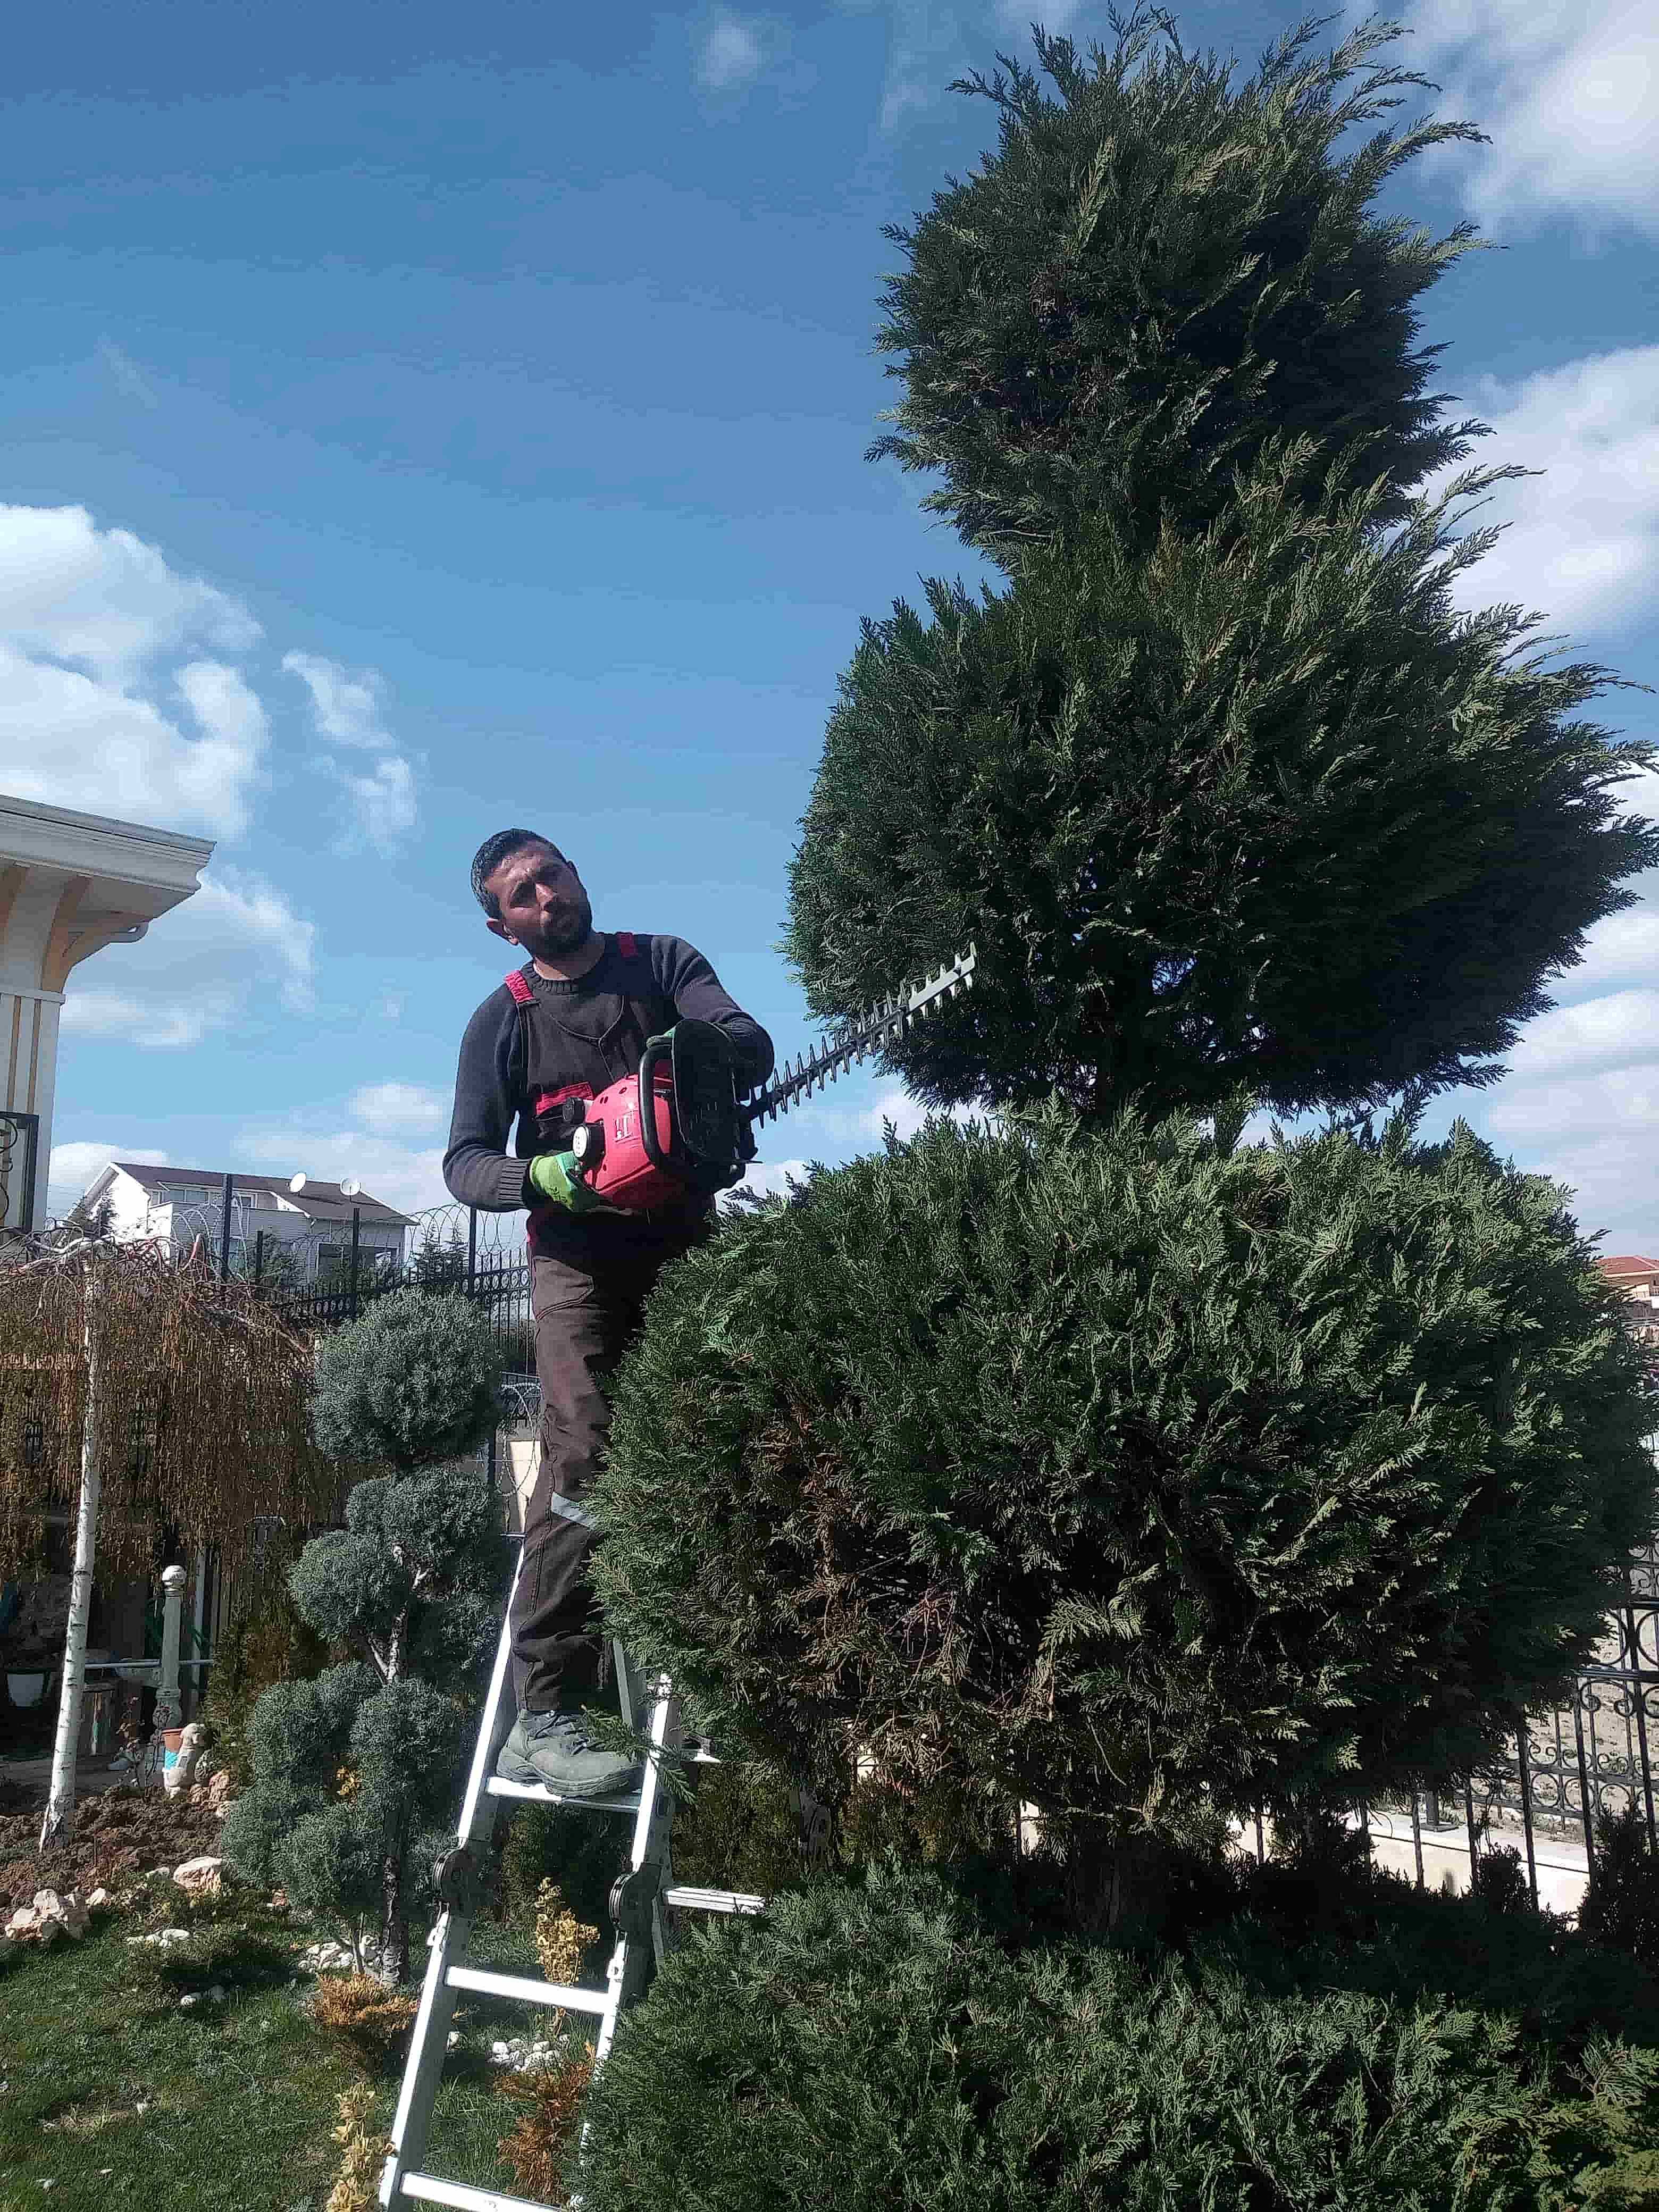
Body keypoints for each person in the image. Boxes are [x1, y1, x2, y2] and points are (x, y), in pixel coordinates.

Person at [443, 828, 774, 1798]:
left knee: (708, 1437)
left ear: (577, 873)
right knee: (582, 1454)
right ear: (502, 926)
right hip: (575, 1264)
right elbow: (464, 1163)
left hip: (682, 1242)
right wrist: (542, 1174)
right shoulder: (502, 1022)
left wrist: (694, 1061)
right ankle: (545, 1712)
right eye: (521, 894)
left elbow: (748, 1039)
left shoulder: (662, 964)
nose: (545, 895)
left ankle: (708, 1666)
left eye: (551, 874)